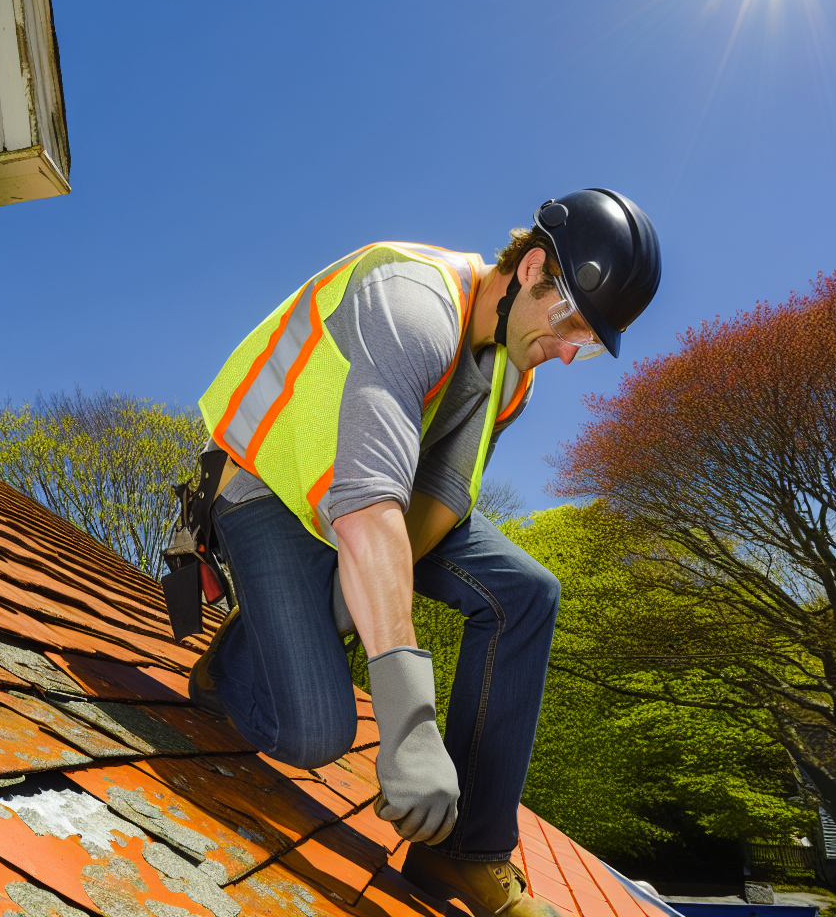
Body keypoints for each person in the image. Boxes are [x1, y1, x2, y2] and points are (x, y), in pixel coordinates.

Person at [190, 188, 661, 917]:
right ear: (532, 267)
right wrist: (407, 728)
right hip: (273, 487)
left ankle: (464, 853)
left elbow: (438, 492)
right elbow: (370, 504)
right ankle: (237, 661)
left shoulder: (512, 373)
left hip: (369, 507)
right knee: (317, 733)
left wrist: (359, 598)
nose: (571, 351)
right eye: (572, 319)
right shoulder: (409, 302)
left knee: (526, 592)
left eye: (591, 342)